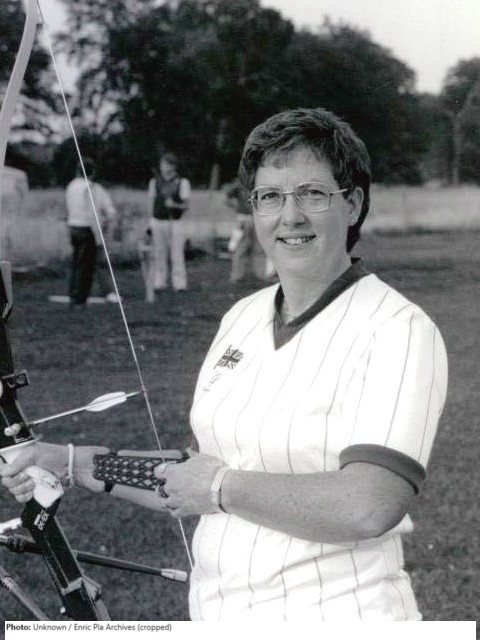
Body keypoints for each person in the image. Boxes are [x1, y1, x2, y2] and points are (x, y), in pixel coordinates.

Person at [1, 108, 448, 621]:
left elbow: (369, 504)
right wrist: (69, 461)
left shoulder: (397, 328)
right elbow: (193, 472)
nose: (290, 216)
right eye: (270, 196)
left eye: (312, 194)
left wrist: (219, 488)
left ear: (353, 204)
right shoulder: (243, 316)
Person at [66, 158, 119, 306]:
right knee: (87, 265)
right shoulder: (93, 188)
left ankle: (74, 292)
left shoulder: (71, 186)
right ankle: (80, 297)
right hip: (87, 228)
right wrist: (99, 235)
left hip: (73, 226)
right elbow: (95, 212)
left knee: (77, 262)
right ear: (93, 172)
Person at [147, 153, 191, 291]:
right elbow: (151, 203)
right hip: (158, 221)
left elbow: (186, 205)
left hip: (175, 222)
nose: (163, 167)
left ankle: (179, 283)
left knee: (176, 253)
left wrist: (174, 205)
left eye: (167, 164)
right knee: (159, 252)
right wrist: (150, 221)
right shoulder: (154, 182)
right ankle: (160, 282)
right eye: (162, 164)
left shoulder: (182, 182)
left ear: (173, 166)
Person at [225, 180, 274, 282]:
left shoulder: (260, 182)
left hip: (257, 218)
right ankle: (237, 276)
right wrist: (235, 206)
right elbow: (227, 199)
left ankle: (261, 274)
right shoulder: (238, 185)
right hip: (243, 218)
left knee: (259, 247)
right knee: (240, 248)